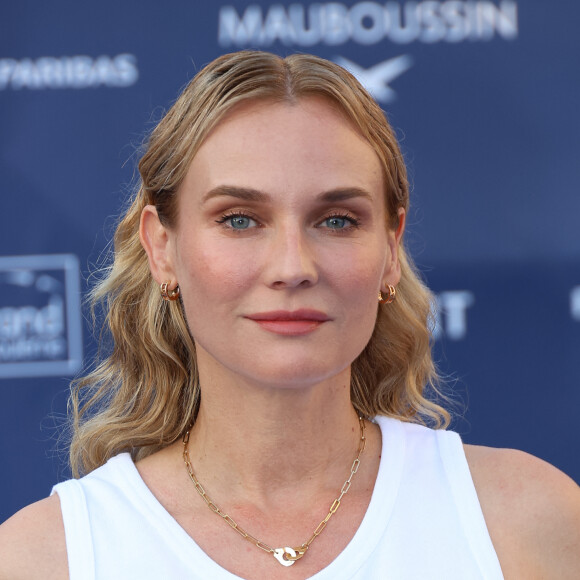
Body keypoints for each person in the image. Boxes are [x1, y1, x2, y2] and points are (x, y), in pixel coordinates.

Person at [0, 50, 578, 580]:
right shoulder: (45, 558)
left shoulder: (527, 522)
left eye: (336, 221)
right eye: (239, 219)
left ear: (391, 249)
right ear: (162, 247)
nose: (292, 267)